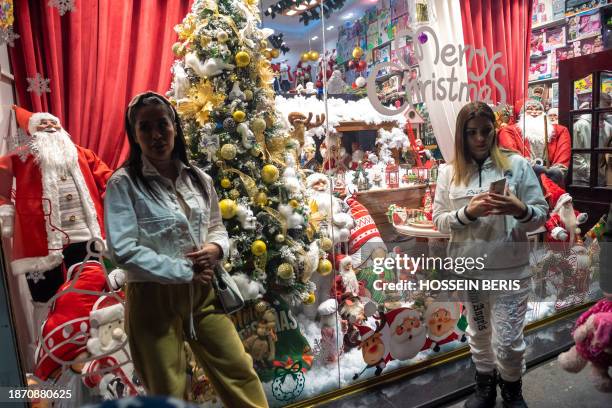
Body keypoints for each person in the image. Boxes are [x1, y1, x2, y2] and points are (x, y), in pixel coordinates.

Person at [104, 92, 267, 406]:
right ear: (134, 134)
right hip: (153, 300)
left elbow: (217, 226)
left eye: (162, 124)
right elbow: (122, 250)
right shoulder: (124, 184)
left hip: (204, 296)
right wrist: (184, 270)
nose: (156, 134)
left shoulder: (199, 179)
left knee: (239, 371)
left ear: (174, 127)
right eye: (145, 127)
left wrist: (215, 249)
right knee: (167, 391)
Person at [433, 102, 548, 408]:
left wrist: (519, 208)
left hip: (510, 270)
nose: (480, 139)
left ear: (495, 131)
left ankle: (512, 388)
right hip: (469, 271)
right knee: (479, 333)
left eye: (486, 131)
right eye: (472, 133)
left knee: (508, 342)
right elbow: (439, 220)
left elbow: (542, 215)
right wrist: (467, 212)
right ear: (462, 135)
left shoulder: (517, 166)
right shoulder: (449, 172)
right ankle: (484, 387)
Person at [0, 110, 112, 331]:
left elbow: (111, 182)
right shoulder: (22, 156)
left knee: (91, 293)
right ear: (32, 130)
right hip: (40, 244)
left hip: (87, 239)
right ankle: (49, 350)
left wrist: (117, 207)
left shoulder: (83, 155)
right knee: (46, 300)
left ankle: (98, 349)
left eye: (54, 123)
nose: (50, 127)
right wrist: (5, 209)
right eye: (43, 124)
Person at [498, 98, 570, 185]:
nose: (534, 112)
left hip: (552, 179)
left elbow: (563, 154)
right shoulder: (509, 131)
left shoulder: (560, 130)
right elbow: (511, 153)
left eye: (538, 109)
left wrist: (556, 173)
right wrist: (533, 168)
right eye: (529, 109)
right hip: (524, 179)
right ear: (522, 113)